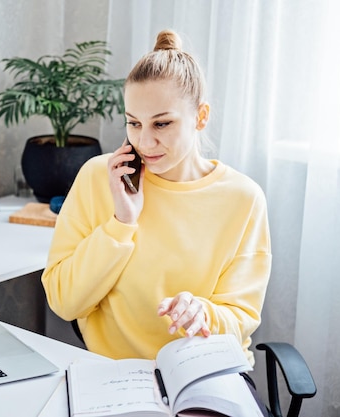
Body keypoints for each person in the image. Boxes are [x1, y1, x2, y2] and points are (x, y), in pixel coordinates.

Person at [41, 29, 271, 367]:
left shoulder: (243, 199)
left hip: (203, 371)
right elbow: (64, 301)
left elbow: (240, 317)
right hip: (117, 378)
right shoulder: (99, 177)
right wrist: (121, 224)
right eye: (134, 123)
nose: (144, 142)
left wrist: (203, 314)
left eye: (161, 124)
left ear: (200, 117)